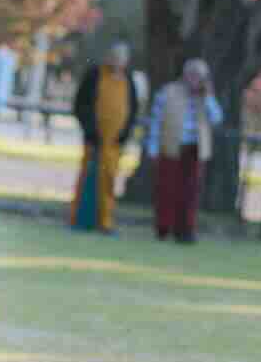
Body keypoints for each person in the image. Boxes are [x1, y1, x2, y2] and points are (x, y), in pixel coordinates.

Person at [147, 59, 222, 244]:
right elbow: (156, 121)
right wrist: (153, 147)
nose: (195, 80)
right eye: (192, 75)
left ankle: (185, 230)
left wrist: (208, 98)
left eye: (200, 76)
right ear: (185, 75)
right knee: (167, 190)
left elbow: (217, 118)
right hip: (171, 146)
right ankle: (163, 228)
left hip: (195, 150)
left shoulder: (206, 97)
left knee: (190, 193)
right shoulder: (168, 92)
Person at [69, 41, 138, 233]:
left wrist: (125, 133)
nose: (117, 61)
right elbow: (80, 105)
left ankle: (105, 222)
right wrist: (90, 130)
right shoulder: (94, 74)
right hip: (94, 140)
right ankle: (80, 220)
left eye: (121, 58)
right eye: (114, 57)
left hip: (115, 142)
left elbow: (132, 109)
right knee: (88, 177)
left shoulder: (128, 79)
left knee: (109, 180)